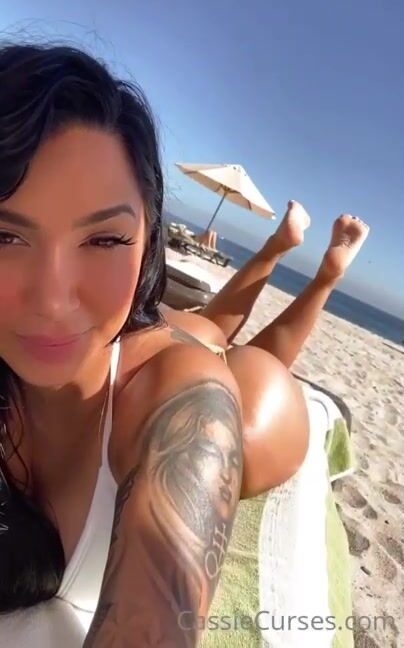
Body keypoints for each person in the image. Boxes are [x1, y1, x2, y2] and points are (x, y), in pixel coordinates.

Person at [0, 42, 308, 646]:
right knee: (198, 325)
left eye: (104, 240)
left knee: (247, 369)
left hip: (215, 388)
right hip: (129, 331)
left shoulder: (184, 405)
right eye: (6, 236)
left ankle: (311, 270)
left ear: (148, 241)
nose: (52, 299)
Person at [162, 200, 370, 368]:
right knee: (212, 342)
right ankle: (285, 252)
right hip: (172, 358)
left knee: (251, 362)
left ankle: (321, 278)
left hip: (174, 385)